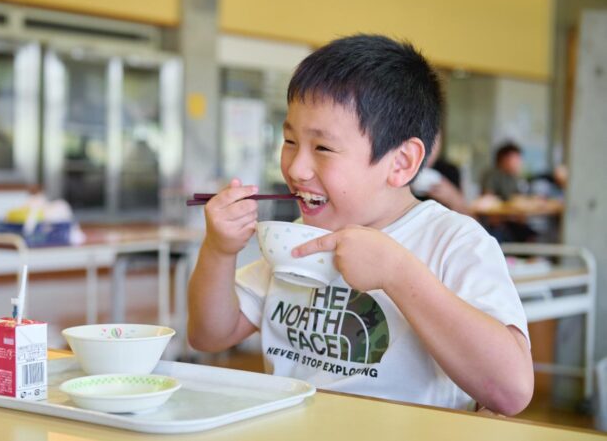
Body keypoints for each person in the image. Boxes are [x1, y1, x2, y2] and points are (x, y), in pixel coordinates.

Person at [187, 35, 533, 415]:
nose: (296, 168)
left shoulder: (452, 241)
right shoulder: (297, 236)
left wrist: (397, 273)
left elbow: (511, 392)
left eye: (322, 148)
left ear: (401, 162)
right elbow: (209, 335)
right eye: (289, 140)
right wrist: (219, 250)